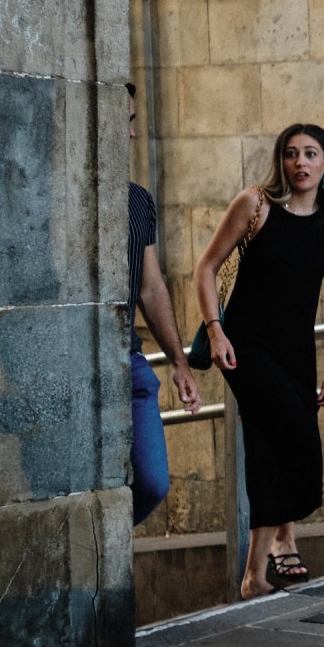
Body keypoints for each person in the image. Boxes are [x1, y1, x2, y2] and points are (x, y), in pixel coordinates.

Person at [194, 124, 324, 598]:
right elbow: (205, 267)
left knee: (270, 446)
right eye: (291, 154)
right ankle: (284, 540)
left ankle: (253, 576)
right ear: (280, 161)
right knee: (297, 435)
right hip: (244, 345)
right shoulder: (256, 204)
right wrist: (215, 329)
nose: (300, 163)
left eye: (310, 154)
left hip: (296, 351)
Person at [126, 84, 201, 520]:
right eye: (125, 122)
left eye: (134, 122)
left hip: (131, 361)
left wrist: (179, 362)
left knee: (153, 481)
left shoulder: (138, 200)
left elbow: (150, 287)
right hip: (75, 364)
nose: (133, 134)